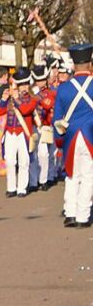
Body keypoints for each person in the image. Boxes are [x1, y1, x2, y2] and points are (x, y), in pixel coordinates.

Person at [53, 43, 93, 228]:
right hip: (90, 136)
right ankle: (83, 216)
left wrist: (58, 140)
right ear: (89, 62)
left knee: (71, 175)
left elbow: (57, 119)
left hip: (70, 137)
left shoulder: (63, 88)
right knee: (87, 177)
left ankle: (70, 213)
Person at [0, 68, 37, 198]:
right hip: (10, 132)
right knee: (10, 161)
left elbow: (25, 110)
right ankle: (11, 187)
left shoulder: (32, 99)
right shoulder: (10, 98)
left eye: (25, 84)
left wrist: (16, 98)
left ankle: (22, 188)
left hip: (23, 133)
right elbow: (0, 112)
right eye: (21, 84)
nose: (23, 87)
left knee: (24, 161)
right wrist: (4, 99)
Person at [31, 60, 58, 190]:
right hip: (33, 126)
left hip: (46, 126)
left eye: (42, 80)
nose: (40, 83)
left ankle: (45, 179)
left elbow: (48, 104)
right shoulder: (31, 91)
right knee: (33, 154)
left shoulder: (50, 92)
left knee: (46, 154)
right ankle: (34, 181)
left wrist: (37, 97)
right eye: (38, 80)